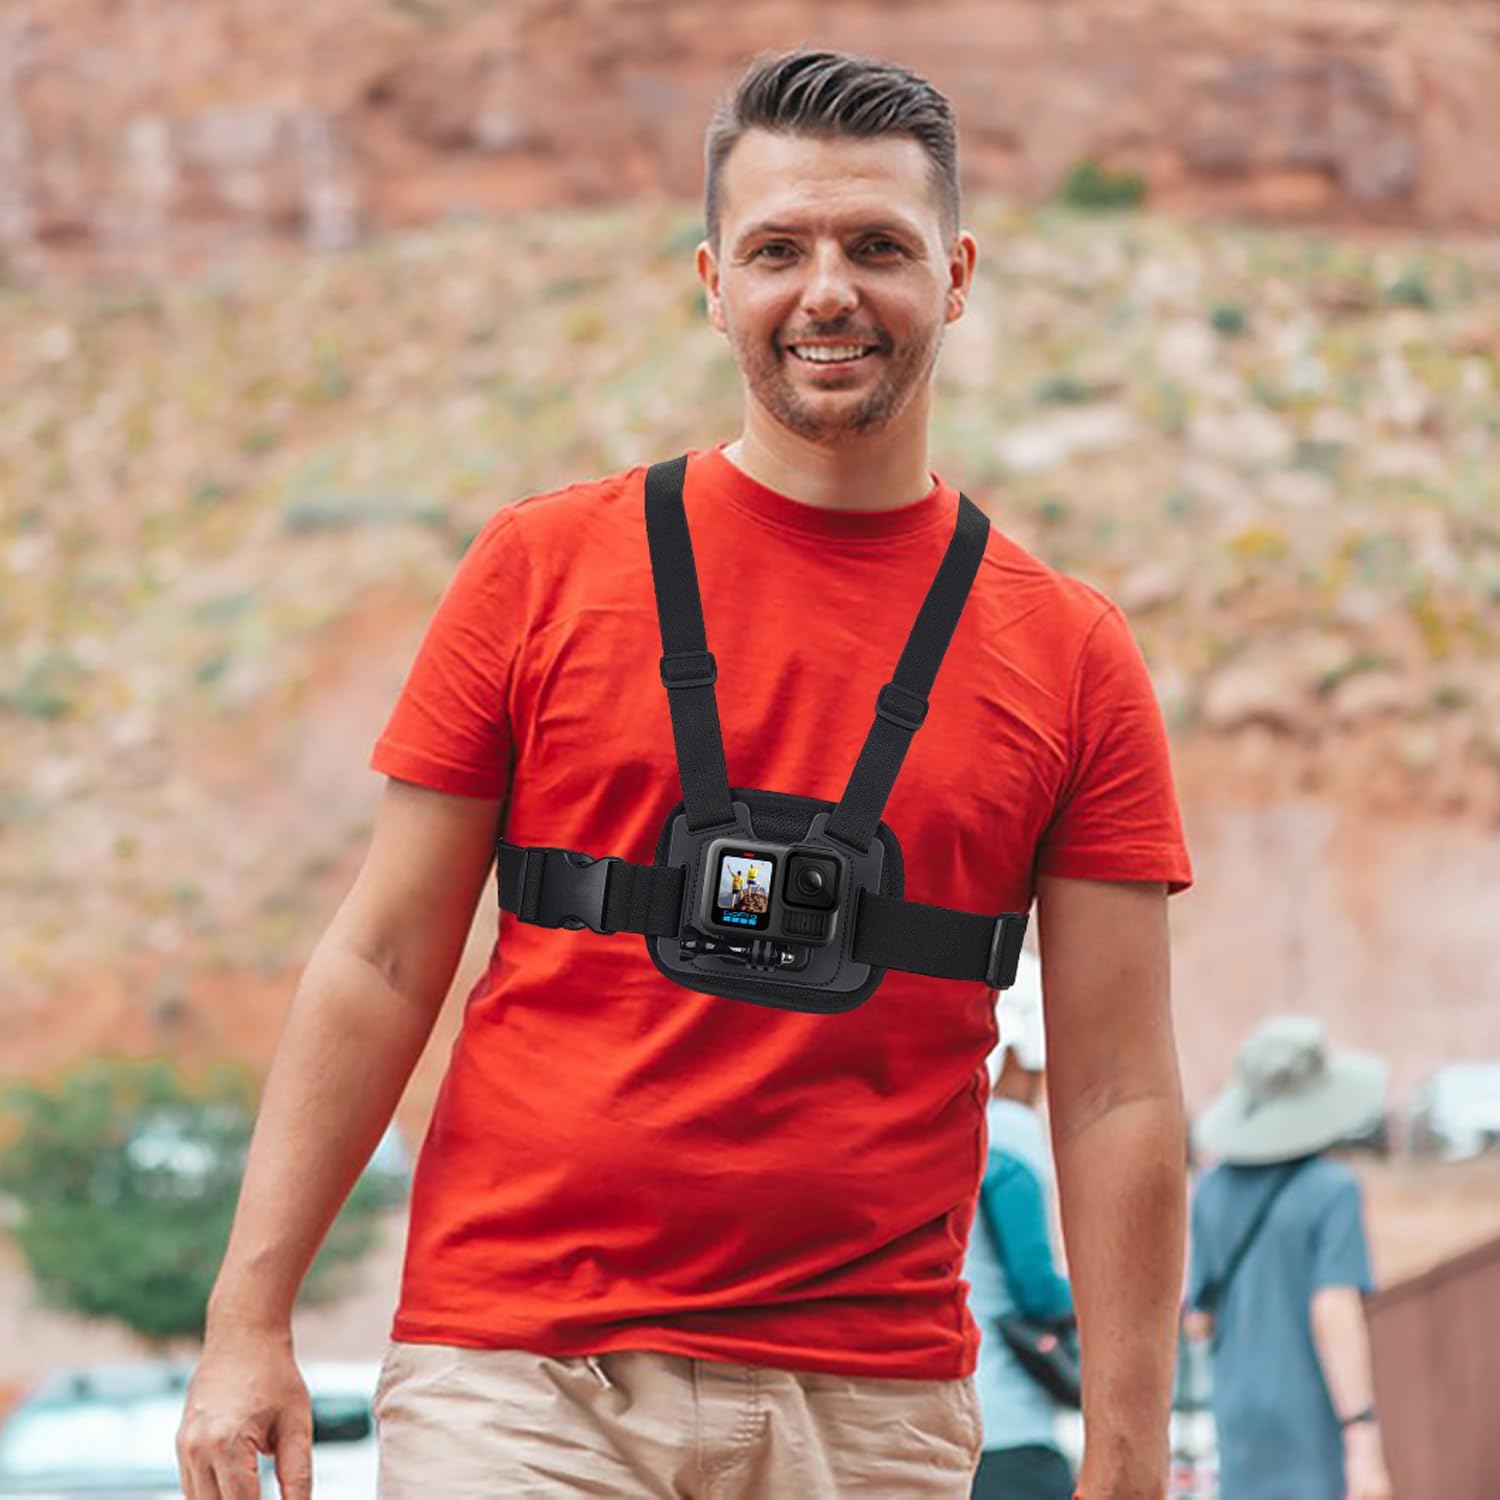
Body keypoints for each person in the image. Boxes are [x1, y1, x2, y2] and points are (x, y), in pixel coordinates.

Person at [177, 47, 1193, 1500]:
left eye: (878, 248)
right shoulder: (540, 568)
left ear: (956, 276)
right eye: (778, 248)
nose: (828, 291)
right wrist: (246, 1319)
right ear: (712, 282)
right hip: (522, 1376)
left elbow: (1116, 1096)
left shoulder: (1073, 654)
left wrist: (1128, 1456)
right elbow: (386, 957)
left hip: (870, 1411)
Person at [1184, 1015, 1395, 1500]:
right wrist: (1361, 1432)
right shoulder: (1334, 1190)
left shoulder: (1211, 1190)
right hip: (1310, 1412)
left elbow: (1199, 1319)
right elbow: (1333, 1312)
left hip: (1237, 1413)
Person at [966, 951, 1077, 1500]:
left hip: (942, 1417)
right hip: (1008, 1421)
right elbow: (1034, 1285)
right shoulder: (1008, 1132)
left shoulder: (947, 1126)